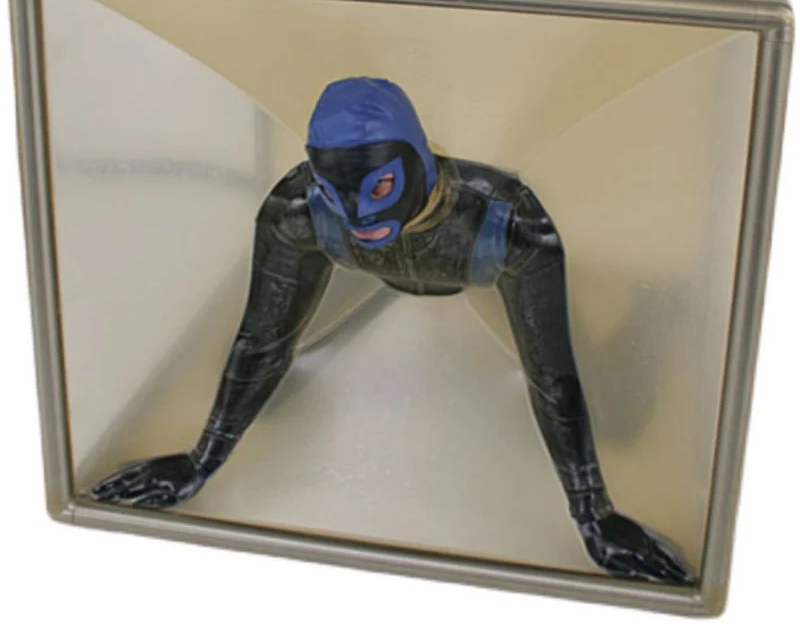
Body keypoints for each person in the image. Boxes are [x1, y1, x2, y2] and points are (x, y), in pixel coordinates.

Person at [92, 77, 693, 584]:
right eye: (334, 190)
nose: (358, 214)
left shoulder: (507, 218)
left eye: (379, 186)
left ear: (418, 161)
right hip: (366, 276)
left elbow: (551, 376)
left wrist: (593, 515)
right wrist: (200, 462)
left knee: (622, 418)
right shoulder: (302, 208)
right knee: (264, 395)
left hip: (477, 277)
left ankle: (657, 307)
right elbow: (262, 340)